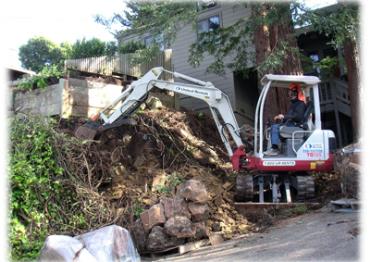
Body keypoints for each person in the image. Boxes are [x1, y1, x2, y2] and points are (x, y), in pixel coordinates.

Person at [264, 83, 306, 156]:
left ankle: (275, 149)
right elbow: (291, 116)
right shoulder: (294, 104)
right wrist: (283, 118)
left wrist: (284, 116)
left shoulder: (300, 104)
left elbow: (298, 117)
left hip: (296, 126)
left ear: (295, 93)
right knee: (274, 126)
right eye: (289, 92)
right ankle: (275, 147)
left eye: (290, 92)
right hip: (292, 125)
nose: (289, 94)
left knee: (275, 127)